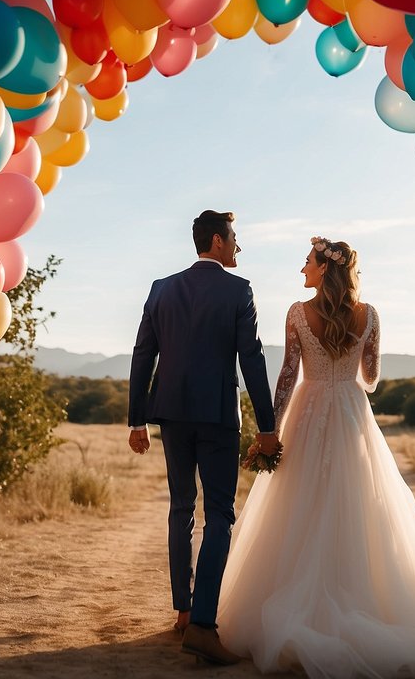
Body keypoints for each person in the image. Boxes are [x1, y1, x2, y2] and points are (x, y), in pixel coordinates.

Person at [218, 237, 415, 678]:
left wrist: (270, 430)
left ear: (324, 269)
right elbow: (372, 376)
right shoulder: (370, 315)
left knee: (300, 503)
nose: (302, 269)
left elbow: (288, 373)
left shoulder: (296, 312)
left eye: (307, 262)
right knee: (360, 502)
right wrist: (345, 376)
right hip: (351, 414)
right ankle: (368, 600)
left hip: (307, 413)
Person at [128, 210, 279, 667]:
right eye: (234, 239)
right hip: (216, 416)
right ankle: (203, 626)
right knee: (219, 515)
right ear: (217, 241)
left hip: (170, 415)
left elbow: (143, 354)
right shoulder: (238, 290)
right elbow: (251, 359)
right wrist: (268, 426)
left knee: (180, 508)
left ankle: (183, 610)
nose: (237, 247)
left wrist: (137, 419)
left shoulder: (161, 288)